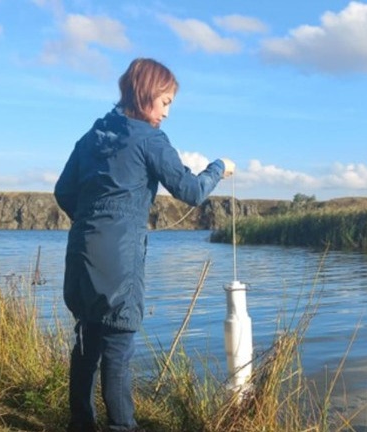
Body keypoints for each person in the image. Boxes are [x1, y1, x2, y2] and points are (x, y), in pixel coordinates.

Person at [54, 58, 235, 432]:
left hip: (81, 251)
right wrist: (219, 167)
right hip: (119, 259)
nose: (167, 113)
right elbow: (191, 190)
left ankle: (80, 424)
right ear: (146, 93)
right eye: (166, 102)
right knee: (118, 350)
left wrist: (93, 223)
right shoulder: (150, 139)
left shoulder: (91, 138)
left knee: (87, 343)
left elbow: (62, 192)